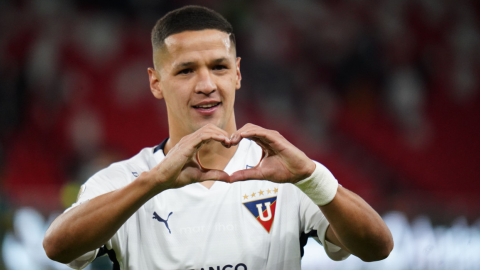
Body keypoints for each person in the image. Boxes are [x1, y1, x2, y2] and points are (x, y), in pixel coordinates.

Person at [43, 5, 393, 270]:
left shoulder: (284, 174)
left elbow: (378, 247)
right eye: (186, 70)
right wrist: (153, 183)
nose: (207, 84)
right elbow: (57, 248)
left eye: (219, 67)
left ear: (237, 73)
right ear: (155, 82)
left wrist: (312, 177)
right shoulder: (127, 180)